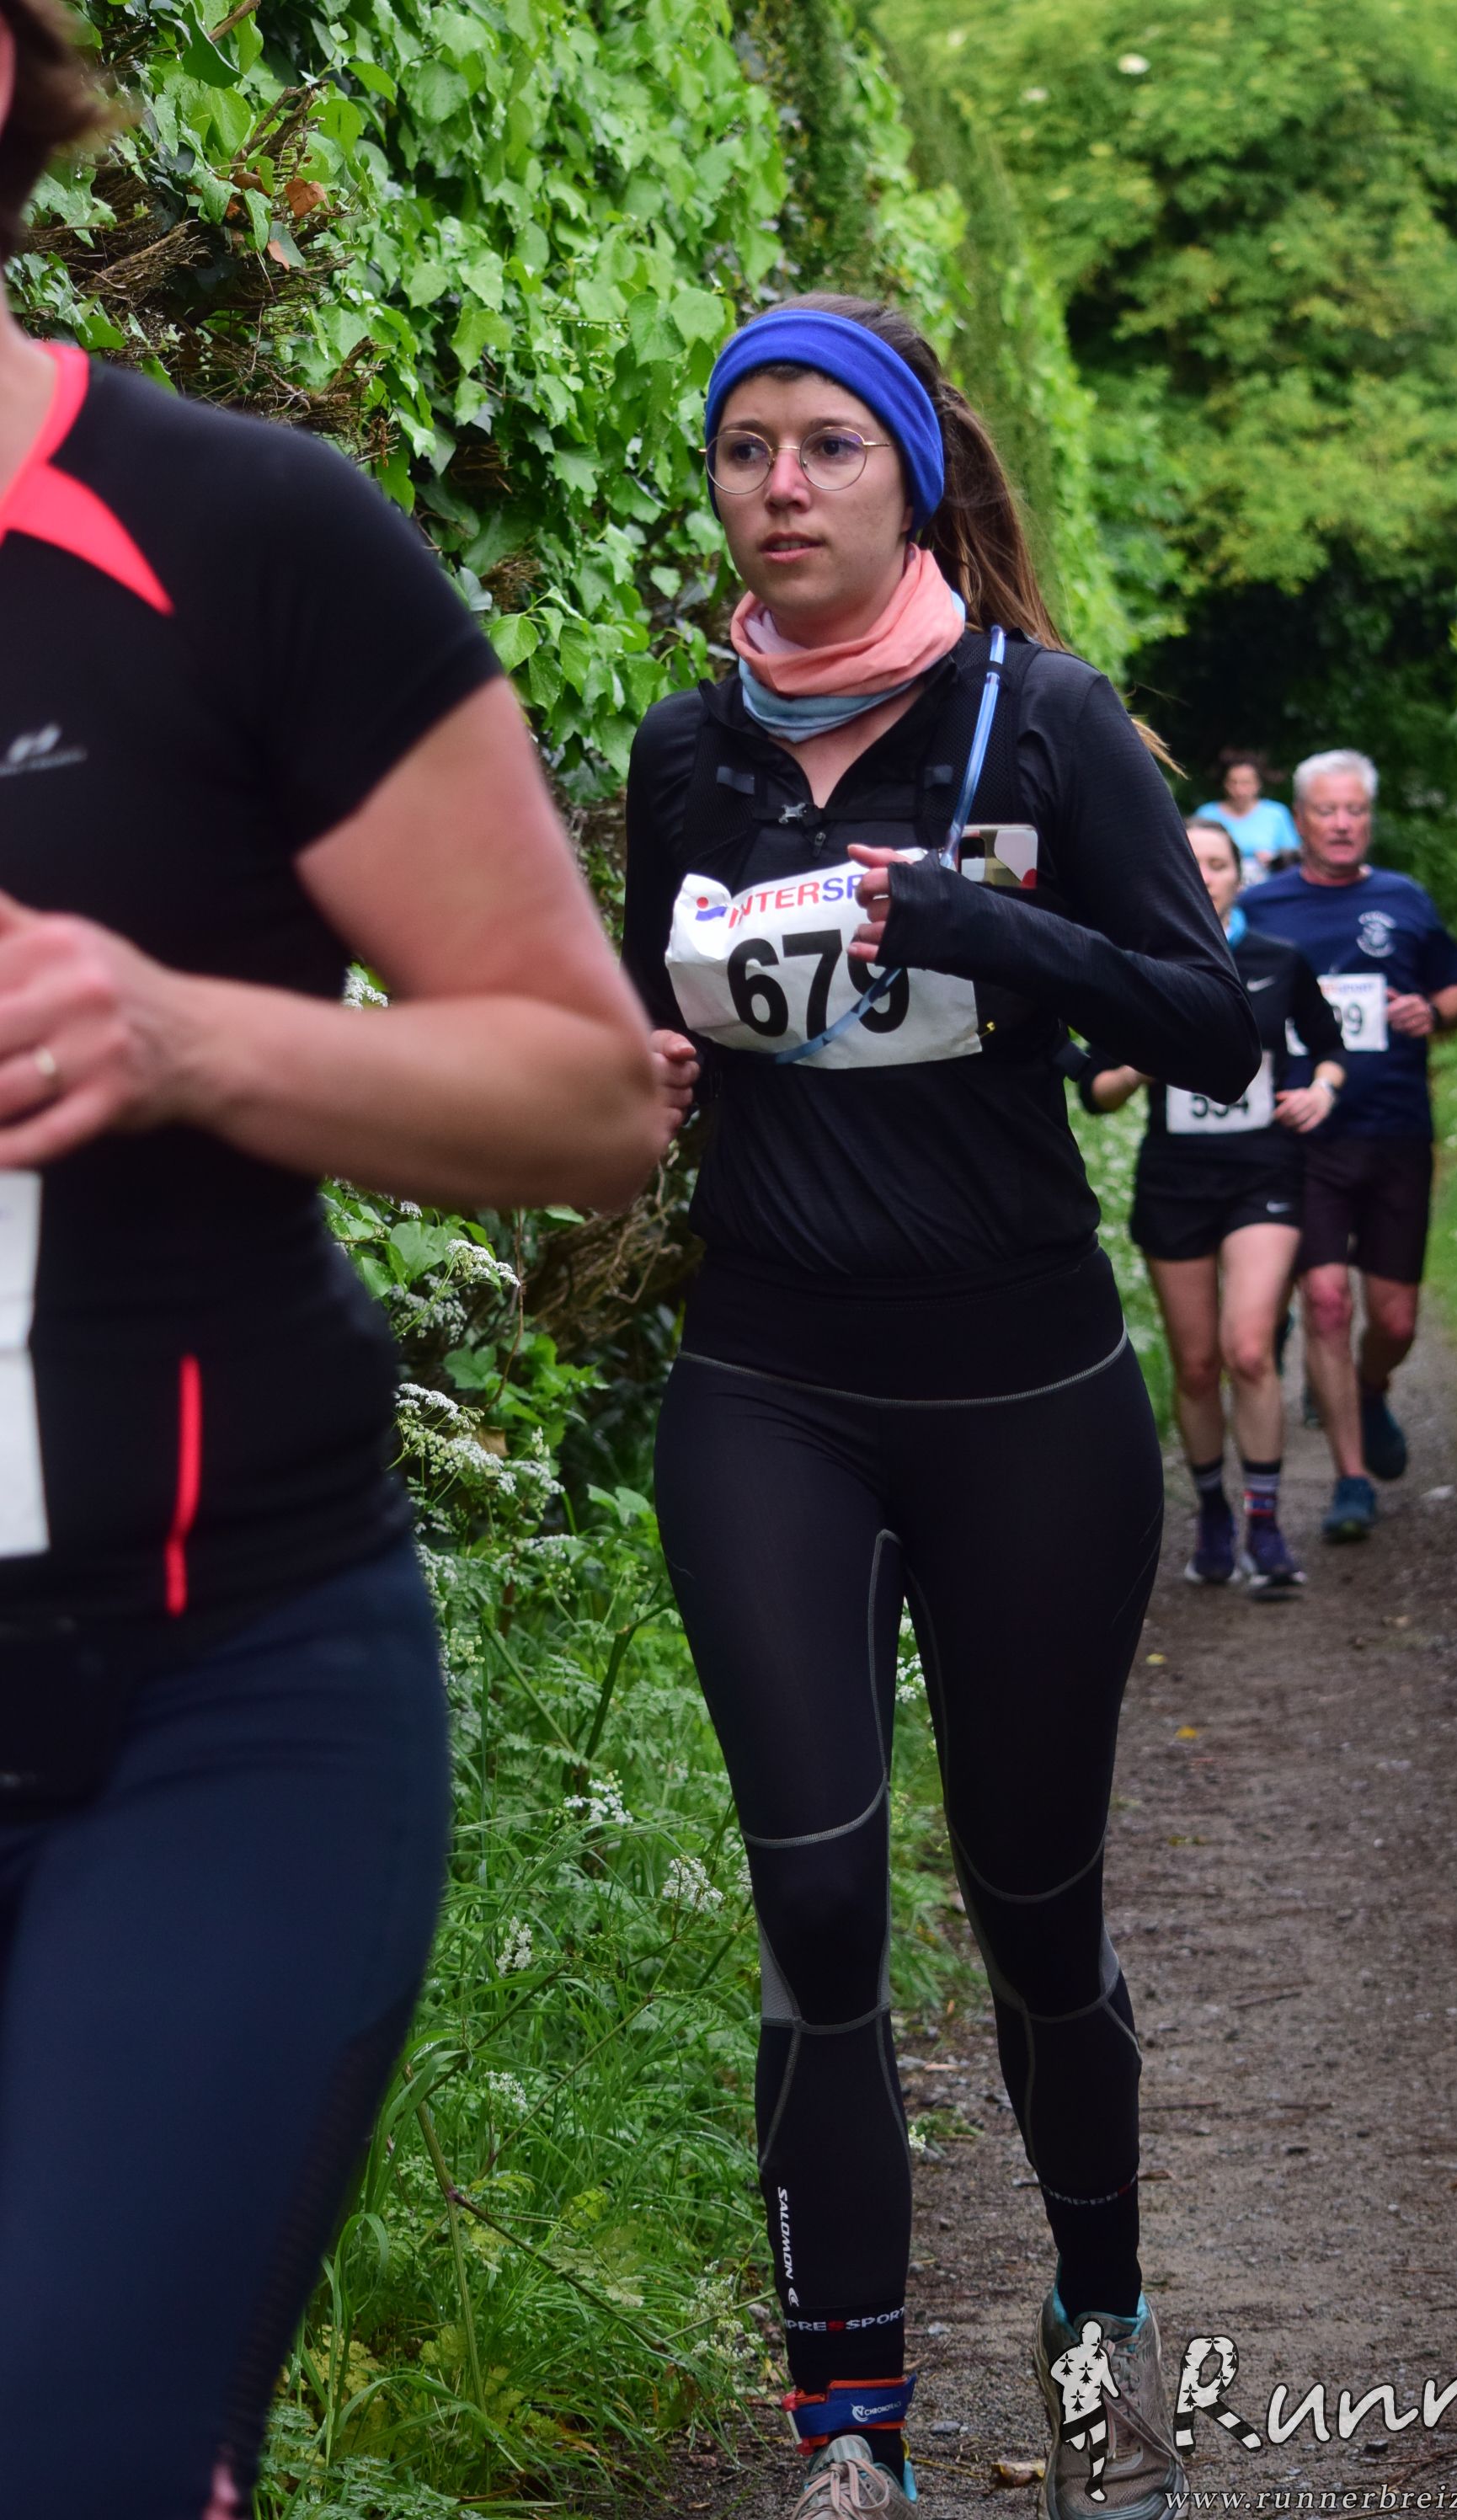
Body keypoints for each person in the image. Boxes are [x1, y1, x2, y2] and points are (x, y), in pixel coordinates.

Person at [0, 5, 664, 2510]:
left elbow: (589, 1094)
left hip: (209, 1693)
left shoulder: (235, 534)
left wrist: (178, 1033)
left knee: (66, 2448)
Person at [623, 293, 1258, 2520]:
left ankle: (1103, 2342)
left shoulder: (1045, 720)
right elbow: (662, 1037)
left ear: (910, 479)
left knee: (1031, 1906)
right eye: (743, 450)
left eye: (825, 446)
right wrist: (634, 1067)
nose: (778, 487)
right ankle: (851, 2436)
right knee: (815, 1909)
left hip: (1024, 1397)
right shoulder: (687, 754)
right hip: (769, 1384)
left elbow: (1217, 1025)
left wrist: (988, 934)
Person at [1075, 818, 1345, 1597]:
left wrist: (1322, 1091)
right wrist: (1143, 1063)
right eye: (1190, 862)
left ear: (1237, 876)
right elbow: (1095, 1091)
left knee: (1249, 1349)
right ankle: (1214, 1516)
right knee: (1196, 1366)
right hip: (1176, 1181)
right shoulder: (1138, 964)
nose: (1205, 876)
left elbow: (1330, 1047)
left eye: (1219, 863)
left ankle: (1266, 1524)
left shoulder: (1279, 959)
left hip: (1263, 1171)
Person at [1245, 750, 1457, 1541]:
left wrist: (1433, 1012)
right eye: (1327, 811)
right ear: (1300, 819)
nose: (1342, 824)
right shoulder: (1260, 906)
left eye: (1355, 811)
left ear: (1368, 819)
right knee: (1327, 1302)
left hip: (1395, 1128)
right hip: (1304, 1136)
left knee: (1397, 1320)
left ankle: (1372, 1389)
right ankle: (1350, 1480)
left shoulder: (1403, 899)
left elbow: (1456, 987)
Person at [1194, 750, 1297, 881]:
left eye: (1246, 783)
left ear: (1258, 784)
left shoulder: (1276, 813)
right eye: (1233, 782)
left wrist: (1273, 859)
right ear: (1224, 783)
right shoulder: (1207, 813)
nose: (1239, 790)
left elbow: (1291, 857)